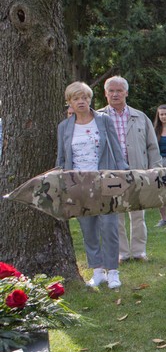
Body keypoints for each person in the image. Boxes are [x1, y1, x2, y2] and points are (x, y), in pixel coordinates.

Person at [57, 82, 128, 288]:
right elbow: (61, 158)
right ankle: (97, 271)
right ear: (69, 102)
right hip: (78, 184)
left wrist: (124, 175)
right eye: (76, 98)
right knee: (88, 228)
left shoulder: (104, 121)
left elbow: (116, 150)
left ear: (90, 99)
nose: (81, 102)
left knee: (109, 227)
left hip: (105, 181)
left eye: (85, 98)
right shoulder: (64, 127)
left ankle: (113, 271)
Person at [100, 76, 162, 262]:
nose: (115, 94)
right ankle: (121, 253)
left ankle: (138, 252)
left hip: (137, 172)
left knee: (137, 215)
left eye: (119, 90)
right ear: (105, 94)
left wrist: (155, 170)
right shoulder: (98, 118)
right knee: (115, 216)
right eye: (111, 91)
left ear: (126, 92)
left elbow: (152, 147)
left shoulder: (140, 117)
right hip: (110, 174)